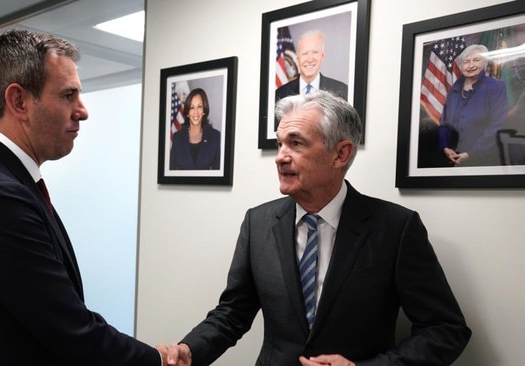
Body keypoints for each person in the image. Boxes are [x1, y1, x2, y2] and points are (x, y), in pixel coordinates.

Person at [165, 91, 471, 366]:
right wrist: (192, 349)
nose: (281, 157)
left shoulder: (396, 228)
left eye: (295, 143)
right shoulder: (258, 223)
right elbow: (233, 311)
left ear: (341, 154)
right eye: (280, 144)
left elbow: (445, 330)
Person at [0, 29, 168, 366]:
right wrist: (158, 360)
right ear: (19, 102)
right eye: (68, 96)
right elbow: (70, 329)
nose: (82, 111)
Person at [438, 44, 509, 166]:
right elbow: (444, 122)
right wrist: (445, 147)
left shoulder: (496, 87)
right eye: (466, 62)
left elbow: (497, 125)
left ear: (485, 62)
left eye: (476, 60)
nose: (471, 66)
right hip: (451, 158)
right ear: (460, 66)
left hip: (483, 159)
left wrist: (471, 153)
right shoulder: (454, 89)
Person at [275, 30, 348, 102]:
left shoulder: (340, 91)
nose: (310, 59)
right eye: (305, 53)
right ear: (297, 58)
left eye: (315, 52)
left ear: (322, 56)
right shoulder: (280, 94)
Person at [169, 88, 221, 170]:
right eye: (192, 107)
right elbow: (170, 172)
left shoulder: (216, 137)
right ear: (188, 112)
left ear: (204, 110)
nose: (195, 112)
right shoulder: (177, 138)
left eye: (199, 107)